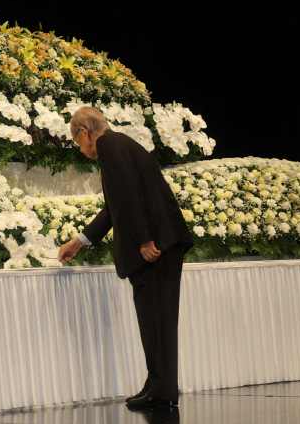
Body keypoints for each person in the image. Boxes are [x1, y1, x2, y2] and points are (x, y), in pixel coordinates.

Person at [57, 106, 194, 409]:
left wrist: (145, 239)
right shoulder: (119, 144)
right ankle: (159, 385)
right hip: (162, 241)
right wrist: (79, 242)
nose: (80, 148)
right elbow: (115, 207)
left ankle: (163, 390)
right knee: (155, 319)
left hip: (156, 244)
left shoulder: (109, 144)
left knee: (156, 319)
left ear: (84, 132)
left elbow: (132, 195)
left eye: (77, 142)